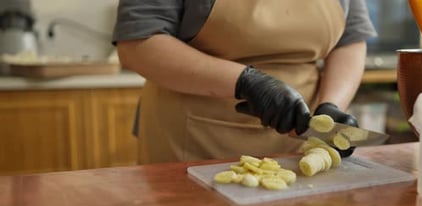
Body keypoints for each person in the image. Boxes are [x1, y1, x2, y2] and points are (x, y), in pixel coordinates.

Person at [112, 0, 377, 164]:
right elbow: (138, 44)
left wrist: (330, 107)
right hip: (194, 142)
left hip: (301, 138)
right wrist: (246, 82)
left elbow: (350, 40)